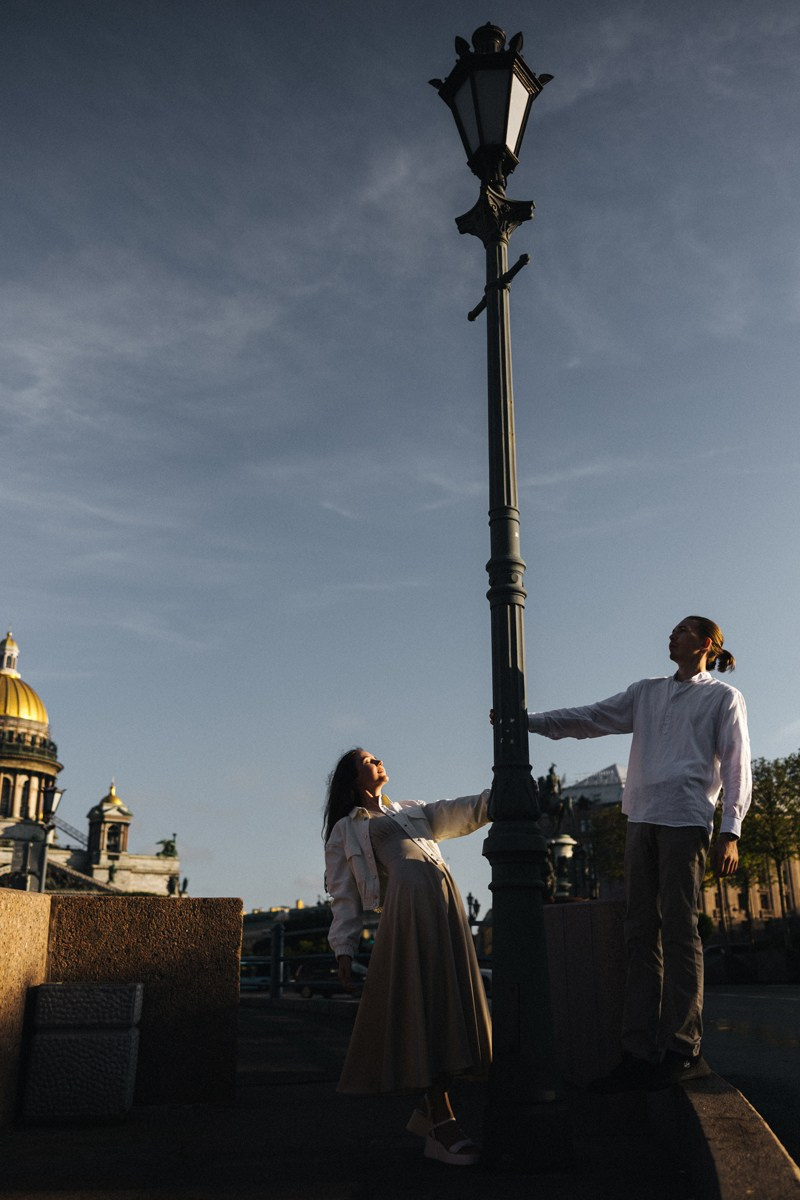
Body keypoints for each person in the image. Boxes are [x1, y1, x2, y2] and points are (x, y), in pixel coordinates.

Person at [526, 616, 751, 1091]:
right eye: (672, 630)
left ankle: (682, 1045)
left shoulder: (723, 698)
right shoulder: (646, 692)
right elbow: (590, 717)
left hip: (686, 819)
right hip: (641, 817)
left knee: (679, 929)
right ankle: (637, 1050)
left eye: (683, 631)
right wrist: (528, 721)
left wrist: (729, 830)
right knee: (638, 932)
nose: (671, 635)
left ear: (707, 645)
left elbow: (736, 765)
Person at [323, 748, 491, 1165]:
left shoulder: (412, 810)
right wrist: (343, 948)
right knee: (426, 1007)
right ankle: (441, 1121)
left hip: (444, 911)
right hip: (408, 917)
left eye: (378, 757)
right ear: (351, 777)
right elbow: (342, 894)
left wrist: (507, 788)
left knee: (446, 1006)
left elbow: (464, 810)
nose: (378, 761)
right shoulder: (347, 829)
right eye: (367, 760)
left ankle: (430, 1112)